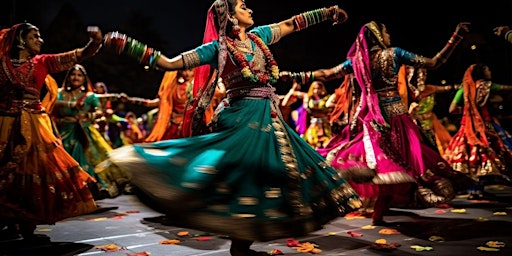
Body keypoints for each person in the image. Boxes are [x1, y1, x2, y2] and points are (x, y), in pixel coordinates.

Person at [102, 1, 361, 255]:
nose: (250, 9)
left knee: (273, 172)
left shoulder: (259, 37)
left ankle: (241, 246)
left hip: (268, 116)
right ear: (230, 17)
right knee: (247, 174)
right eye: (243, 6)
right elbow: (170, 64)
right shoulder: (218, 48)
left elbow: (290, 24)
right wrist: (129, 46)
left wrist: (326, 13)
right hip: (241, 118)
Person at [282, 21, 475, 226]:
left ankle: (378, 213)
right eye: (386, 31)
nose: (389, 35)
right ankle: (379, 213)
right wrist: (456, 37)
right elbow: (434, 62)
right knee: (399, 164)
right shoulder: (394, 53)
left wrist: (297, 75)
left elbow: (327, 74)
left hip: (370, 119)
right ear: (377, 35)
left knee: (385, 166)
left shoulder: (356, 61)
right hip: (396, 117)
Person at [0, 23, 101, 241]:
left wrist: (95, 42)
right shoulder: (2, 64)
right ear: (20, 40)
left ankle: (28, 226)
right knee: (6, 173)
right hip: (4, 123)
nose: (40, 40)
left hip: (35, 126)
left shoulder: (42, 62)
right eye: (34, 36)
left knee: (32, 172)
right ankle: (8, 221)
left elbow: (78, 55)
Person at [52, 64, 131, 199]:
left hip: (83, 133)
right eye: (73, 74)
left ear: (84, 79)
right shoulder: (58, 94)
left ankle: (89, 187)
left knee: (84, 157)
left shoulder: (89, 96)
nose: (76, 77)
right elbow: (51, 109)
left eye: (79, 75)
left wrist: (89, 116)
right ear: (68, 77)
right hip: (61, 132)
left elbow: (99, 112)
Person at [444, 63, 512, 199]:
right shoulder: (487, 85)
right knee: (502, 150)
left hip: (467, 127)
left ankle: (474, 189)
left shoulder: (464, 88)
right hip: (484, 126)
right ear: (481, 73)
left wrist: (467, 112)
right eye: (488, 70)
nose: (490, 72)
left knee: (470, 157)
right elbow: (507, 88)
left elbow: (452, 109)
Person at [129, 69, 196, 142]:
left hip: (191, 126)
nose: (187, 73)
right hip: (172, 126)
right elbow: (160, 102)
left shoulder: (199, 85)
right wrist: (130, 100)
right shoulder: (173, 85)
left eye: (190, 70)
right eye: (184, 70)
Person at [403, 66, 455, 156]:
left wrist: (458, 87)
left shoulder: (429, 89)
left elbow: (446, 88)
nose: (422, 76)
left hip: (429, 125)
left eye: (425, 74)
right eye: (420, 73)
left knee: (434, 149)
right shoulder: (408, 92)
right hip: (415, 126)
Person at [301, 81, 333, 149]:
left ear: (322, 89)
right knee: (311, 142)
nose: (316, 90)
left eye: (318, 88)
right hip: (313, 123)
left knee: (327, 142)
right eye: (314, 88)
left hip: (324, 123)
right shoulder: (309, 98)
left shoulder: (327, 98)